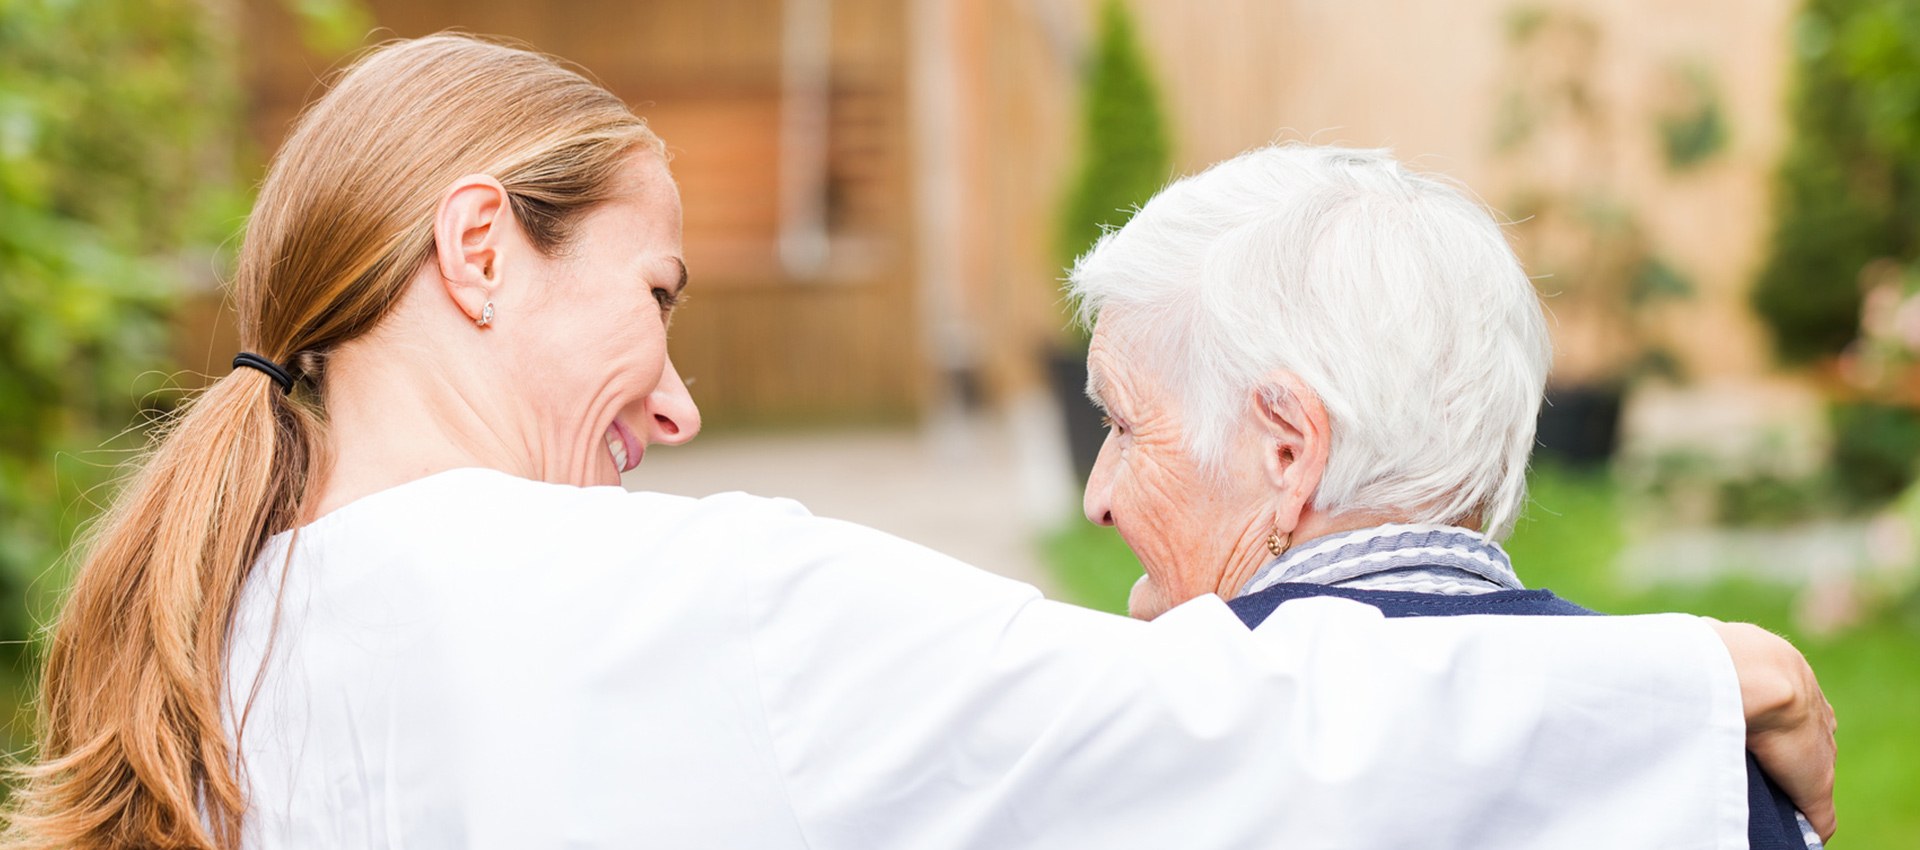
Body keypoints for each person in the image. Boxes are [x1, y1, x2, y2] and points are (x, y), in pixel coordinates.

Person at [2, 34, 1832, 850]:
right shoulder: (656, 607)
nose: (681, 397)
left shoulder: (214, 648)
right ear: (478, 251)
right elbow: (1222, 741)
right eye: (658, 297)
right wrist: (1695, 681)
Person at [1070, 143, 1836, 847]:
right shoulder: (1722, 761)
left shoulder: (1147, 765)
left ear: (1288, 448)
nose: (1097, 497)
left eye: (1124, 425)